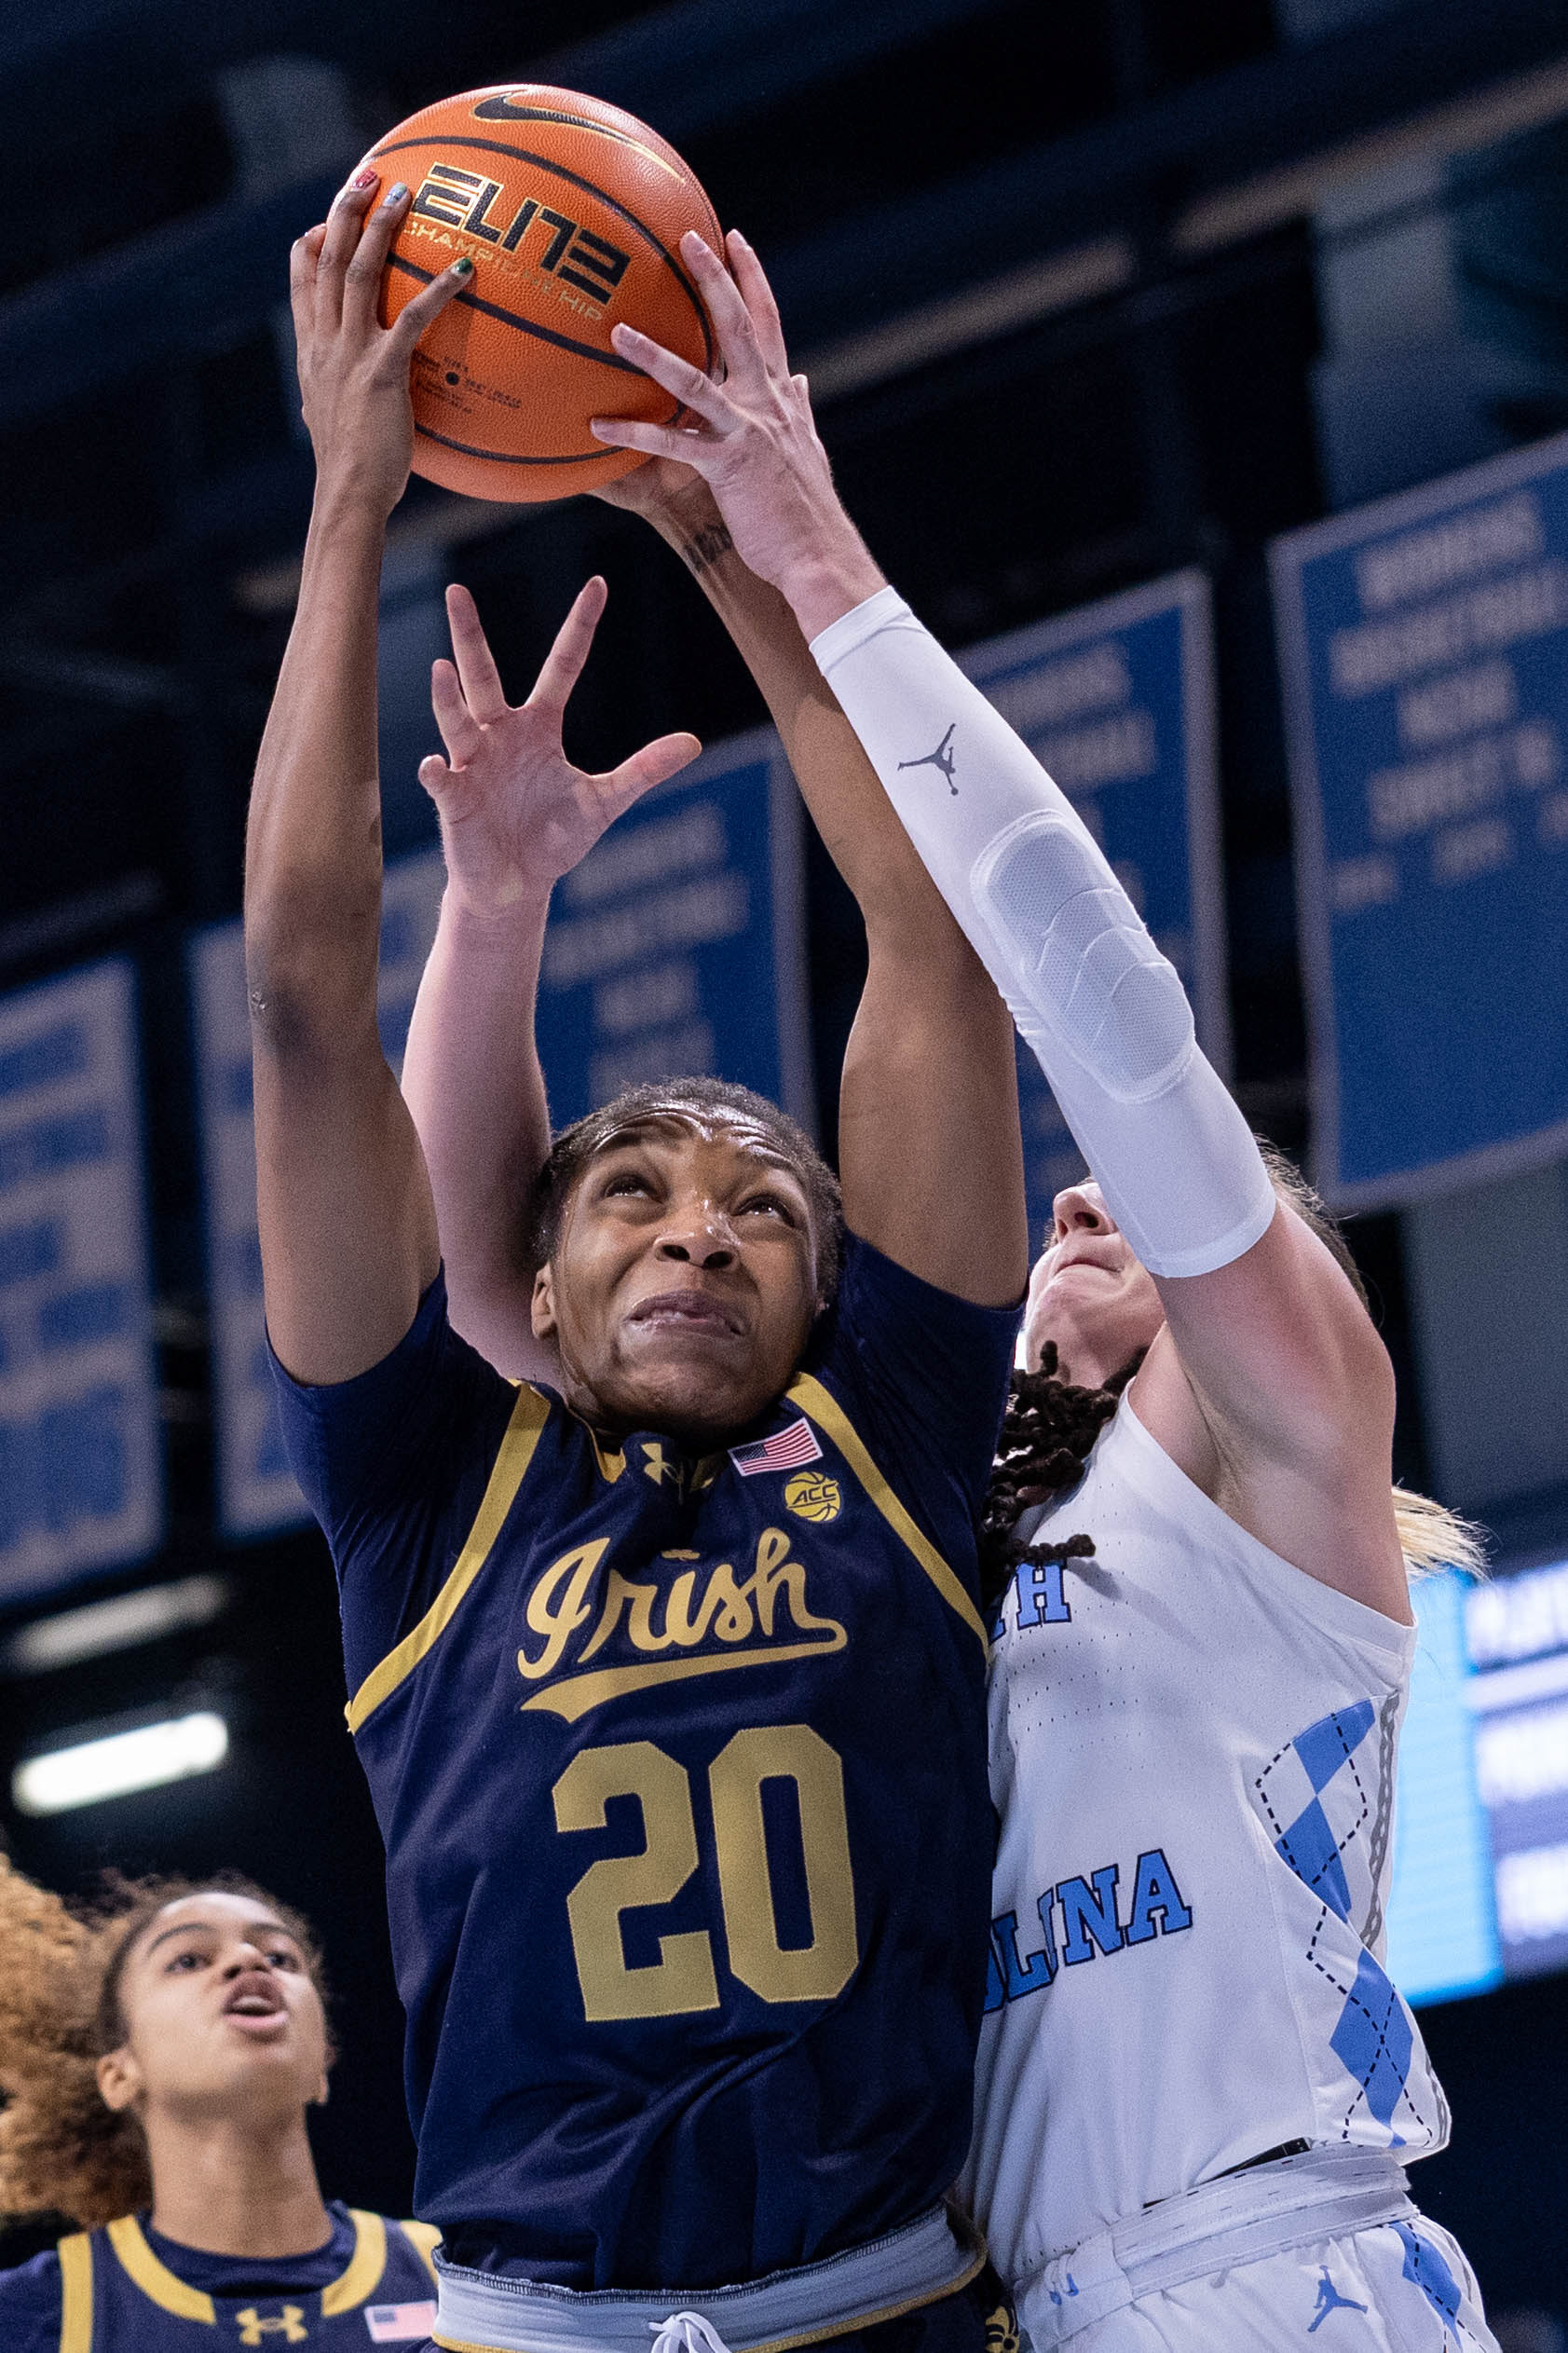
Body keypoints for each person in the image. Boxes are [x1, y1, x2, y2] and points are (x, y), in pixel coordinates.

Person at [491, 226, 1501, 2346]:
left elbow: (1090, 1002)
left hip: (1275, 2265)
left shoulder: (1289, 1492)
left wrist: (807, 563)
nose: (1076, 1210)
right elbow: (513, 1313)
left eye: (1149, 1221)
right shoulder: (893, 1561)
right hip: (1004, 2305)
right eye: (1053, 1219)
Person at [247, 168, 1027, 2353]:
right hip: (528, 2318)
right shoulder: (425, 1488)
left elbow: (933, 961)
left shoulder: (893, 1430)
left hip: (885, 2299)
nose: (697, 1223)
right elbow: (307, 1002)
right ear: (539, 1284)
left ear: (828, 1289)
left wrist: (732, 536)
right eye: (631, 1200)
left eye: (761, 1207)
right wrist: (347, 518)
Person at [0, 1860, 439, 2349]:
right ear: (119, 2074)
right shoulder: (29, 2316)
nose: (249, 1959)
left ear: (323, 2062)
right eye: (187, 1960)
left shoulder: (453, 2274)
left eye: (281, 1958)